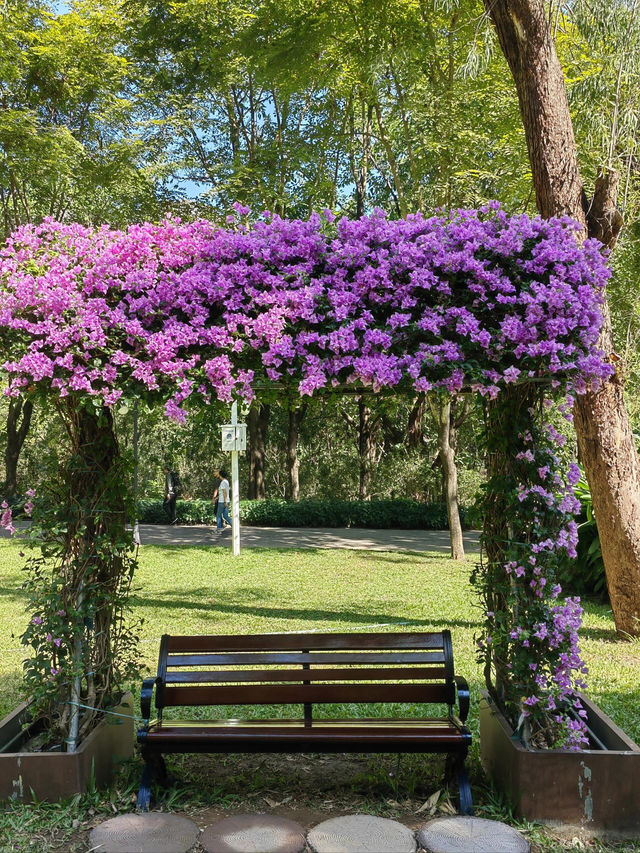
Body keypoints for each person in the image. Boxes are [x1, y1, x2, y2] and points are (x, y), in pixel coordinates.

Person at [214, 467, 232, 533]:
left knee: (218, 515)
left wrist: (225, 502)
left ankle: (219, 529)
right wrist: (216, 498)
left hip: (222, 502)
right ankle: (234, 526)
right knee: (225, 516)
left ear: (220, 475)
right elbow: (223, 493)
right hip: (226, 501)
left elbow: (224, 493)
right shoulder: (226, 481)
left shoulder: (222, 483)